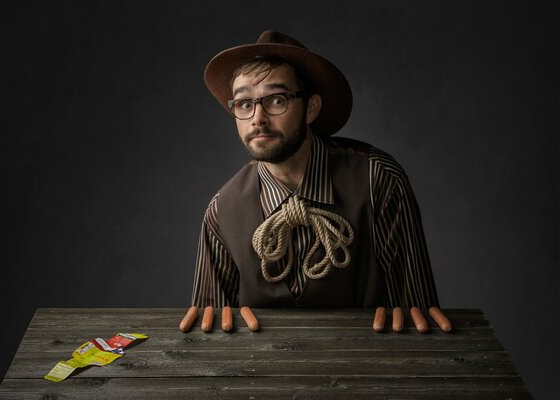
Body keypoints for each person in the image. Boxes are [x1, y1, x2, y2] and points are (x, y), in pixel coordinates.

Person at [187, 30, 450, 332]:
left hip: (368, 369)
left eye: (276, 99)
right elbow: (208, 331)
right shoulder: (222, 211)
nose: (257, 117)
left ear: (310, 108)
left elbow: (419, 317)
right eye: (245, 104)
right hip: (262, 374)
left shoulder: (378, 179)